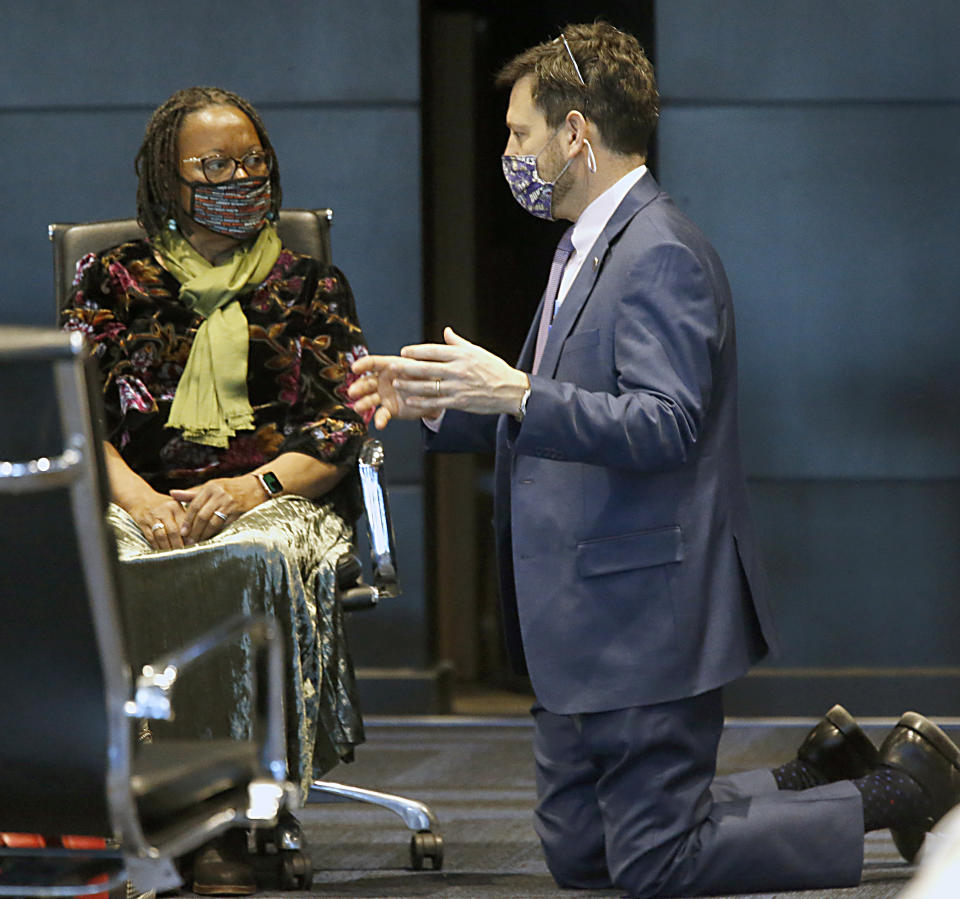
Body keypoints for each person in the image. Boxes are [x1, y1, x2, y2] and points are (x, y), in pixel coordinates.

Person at [349, 22, 960, 898]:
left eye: (521, 132)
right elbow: (569, 414)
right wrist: (445, 403)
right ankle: (811, 772)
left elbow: (664, 424)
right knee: (582, 855)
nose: (509, 152)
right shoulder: (581, 247)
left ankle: (888, 790)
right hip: (579, 619)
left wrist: (516, 391)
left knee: (655, 862)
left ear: (577, 135)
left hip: (641, 612)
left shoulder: (660, 251)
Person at [62, 86, 370, 895]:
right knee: (111, 558)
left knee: (247, 558)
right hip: (138, 493)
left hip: (275, 496)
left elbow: (343, 428)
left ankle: (235, 816)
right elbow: (70, 415)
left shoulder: (312, 288)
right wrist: (137, 498)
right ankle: (140, 808)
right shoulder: (111, 283)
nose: (242, 176)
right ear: (169, 180)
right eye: (216, 165)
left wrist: (249, 488)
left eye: (253, 160)